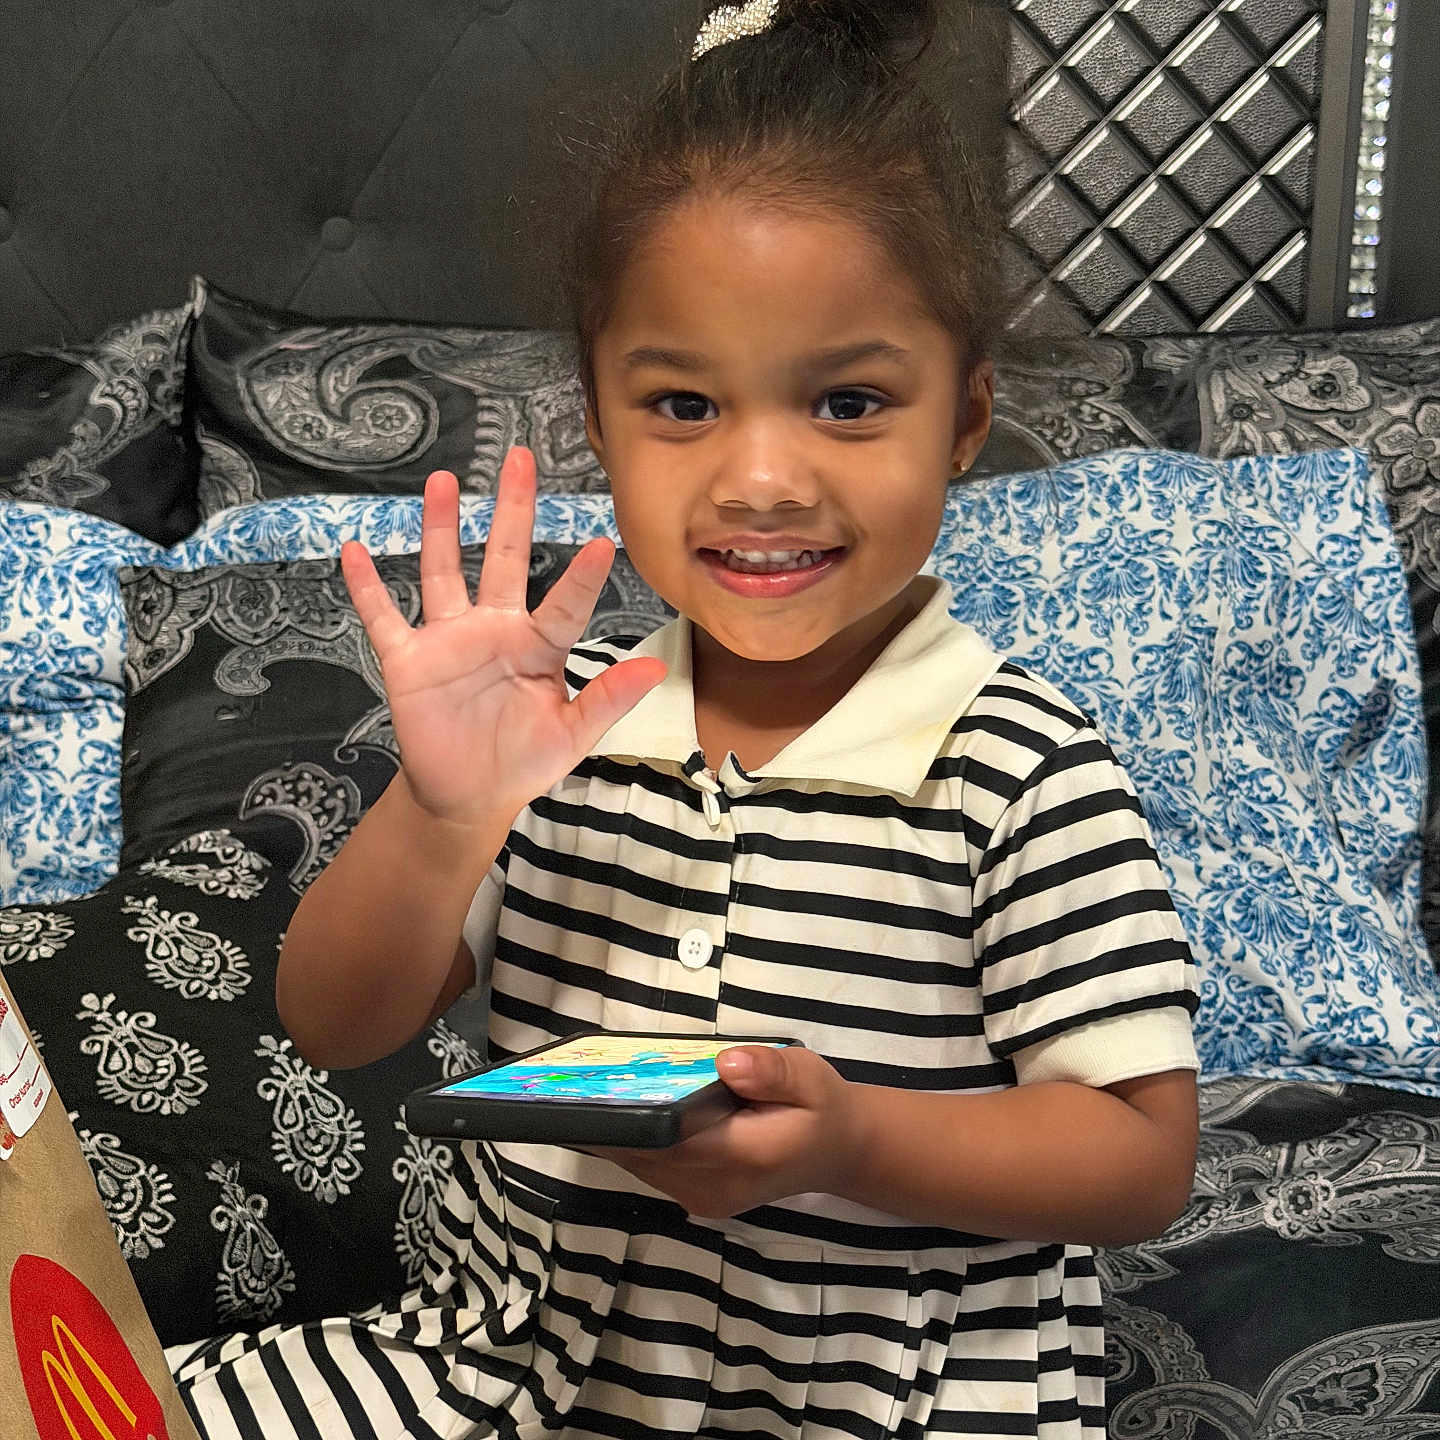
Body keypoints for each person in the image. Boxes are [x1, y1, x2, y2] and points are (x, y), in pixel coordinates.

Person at [168, 2, 1201, 1435]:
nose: (763, 479)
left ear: (964, 420)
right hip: (523, 1367)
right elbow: (333, 1026)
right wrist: (443, 811)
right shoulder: (562, 726)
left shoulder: (1021, 767)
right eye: (685, 405)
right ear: (598, 422)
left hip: (888, 1398)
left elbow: (1140, 1158)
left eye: (847, 401)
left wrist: (858, 1139)